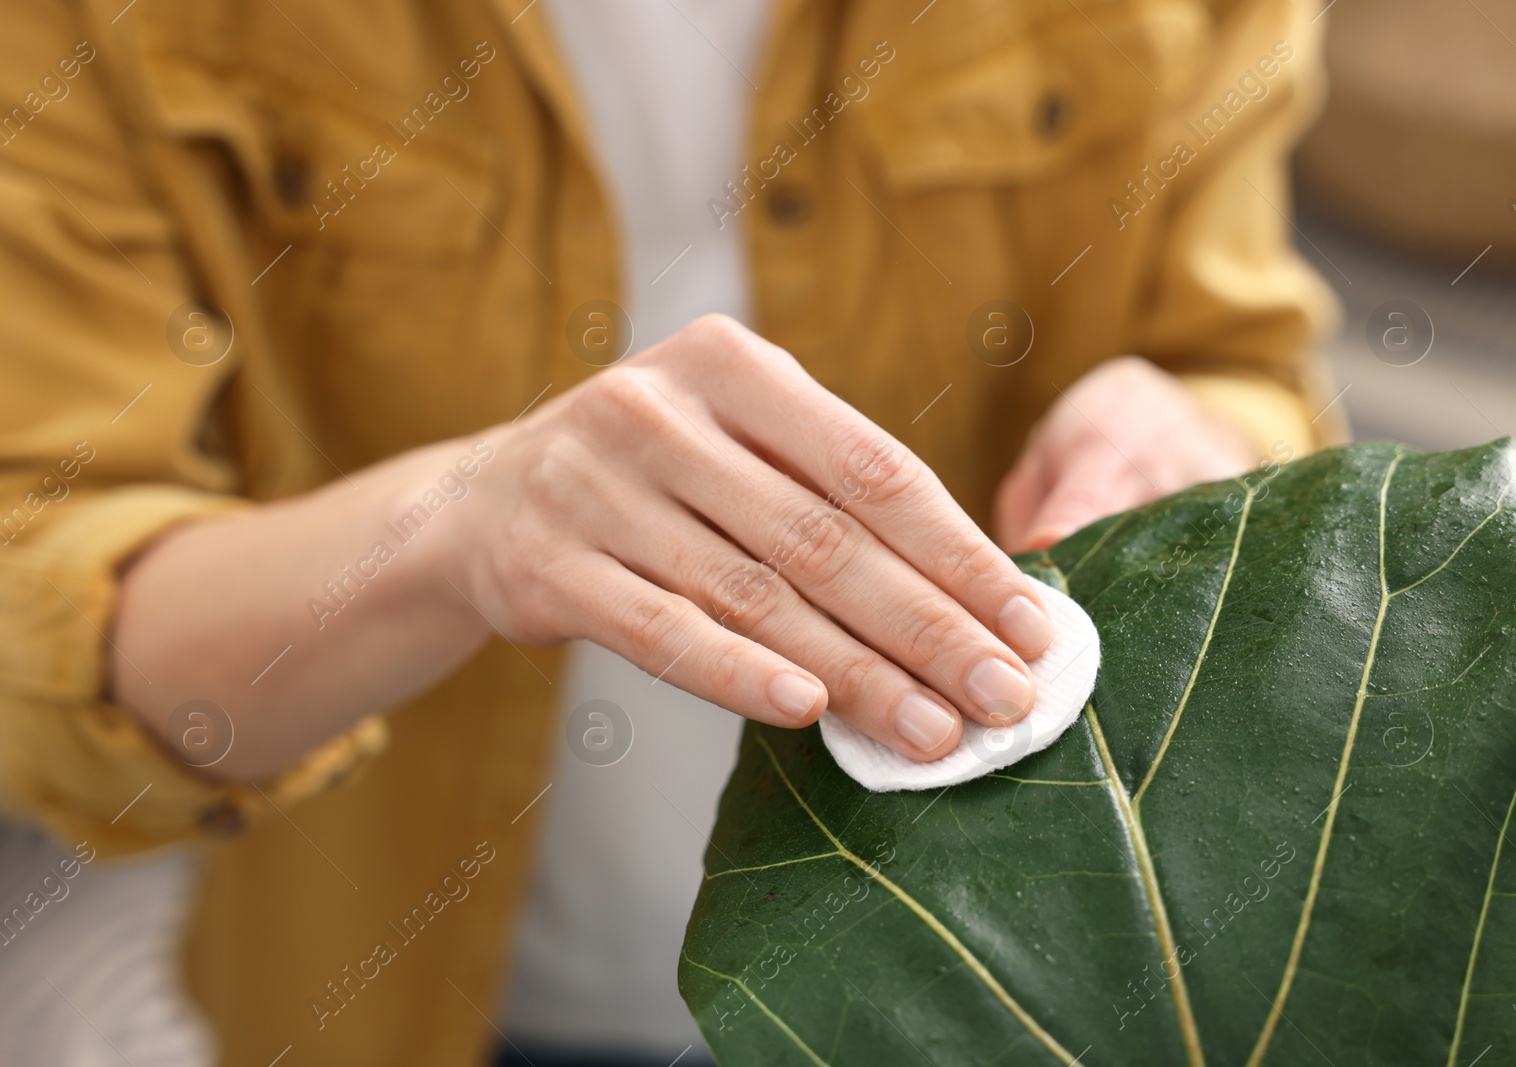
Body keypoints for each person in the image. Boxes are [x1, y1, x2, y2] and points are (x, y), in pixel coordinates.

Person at [0, 0, 1341, 1064]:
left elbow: (1249, 365)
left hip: (997, 983)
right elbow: (40, 609)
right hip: (417, 993)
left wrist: (1196, 437)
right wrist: (456, 530)